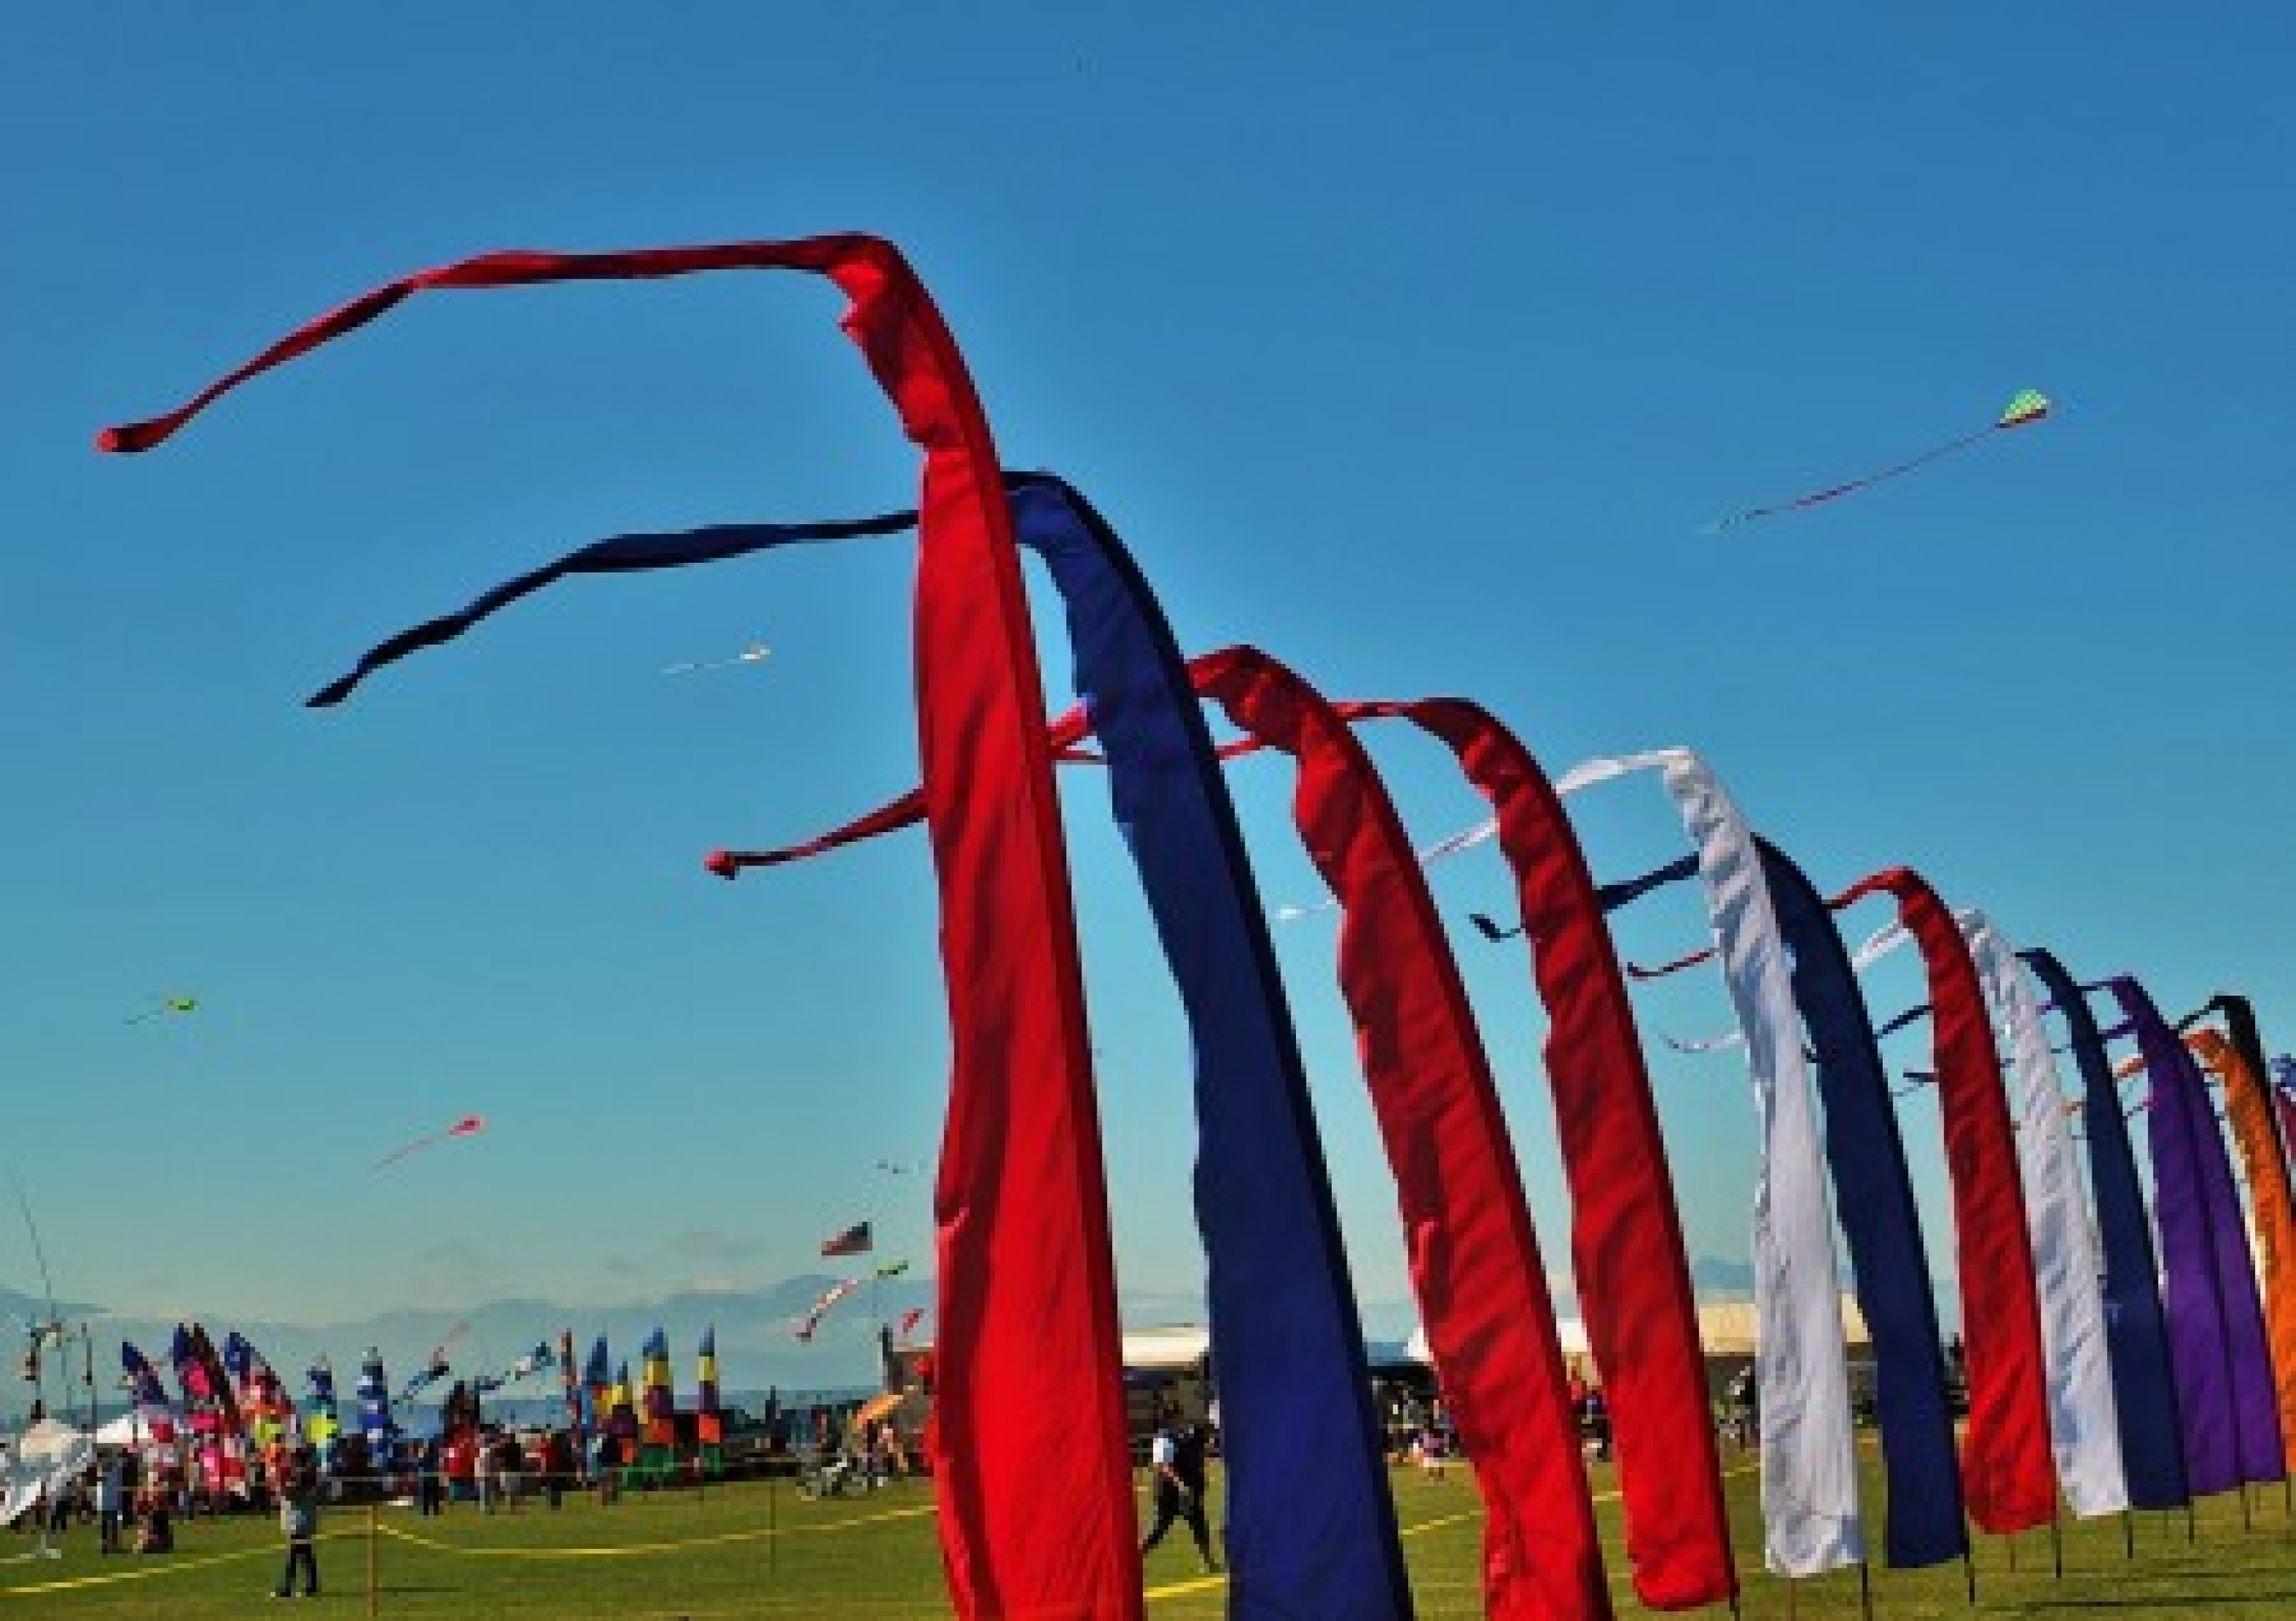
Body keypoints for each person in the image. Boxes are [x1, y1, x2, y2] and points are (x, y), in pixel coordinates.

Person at [1138, 1414, 1219, 1575]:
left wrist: (1201, 1473)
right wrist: (1181, 1486)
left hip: (1188, 1493)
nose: (1181, 1422)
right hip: (1169, 1493)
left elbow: (1201, 1452)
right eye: (1176, 1419)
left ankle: (1208, 1563)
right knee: (1159, 1530)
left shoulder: (1192, 1435)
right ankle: (1134, 1558)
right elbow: (1163, 1467)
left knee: (1200, 1526)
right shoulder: (1164, 1439)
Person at [272, 1446, 322, 1599]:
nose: (290, 1460)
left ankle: (287, 1588)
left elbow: (291, 1494)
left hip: (299, 1520)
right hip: (300, 1519)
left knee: (293, 1555)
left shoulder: (303, 1474)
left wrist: (282, 1488)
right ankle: (312, 1586)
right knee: (306, 1554)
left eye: (293, 1457)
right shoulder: (307, 1472)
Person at [96, 1451, 127, 1553]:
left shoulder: (103, 1472)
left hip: (107, 1502)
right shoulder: (116, 1471)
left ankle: (108, 1545)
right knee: (112, 1524)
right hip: (112, 1502)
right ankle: (113, 1544)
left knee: (108, 1524)